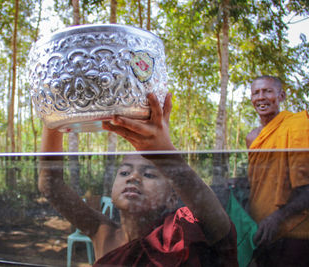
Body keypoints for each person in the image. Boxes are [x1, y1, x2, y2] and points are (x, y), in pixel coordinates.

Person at [39, 93, 237, 266]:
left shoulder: (184, 230)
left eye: (149, 174)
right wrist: (54, 115)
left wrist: (163, 151)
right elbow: (51, 185)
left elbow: (218, 223)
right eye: (124, 173)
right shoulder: (102, 231)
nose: (133, 177)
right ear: (112, 190)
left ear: (171, 198)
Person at [246, 75, 309, 266]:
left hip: (294, 230)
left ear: (281, 96)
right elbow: (258, 181)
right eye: (256, 93)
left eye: (267, 91)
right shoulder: (252, 138)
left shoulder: (298, 125)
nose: (261, 97)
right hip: (260, 229)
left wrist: (277, 218)